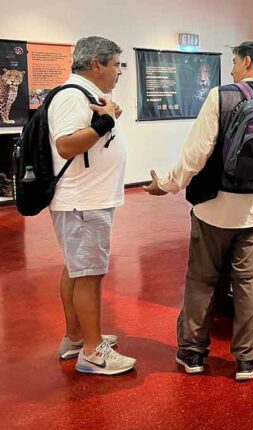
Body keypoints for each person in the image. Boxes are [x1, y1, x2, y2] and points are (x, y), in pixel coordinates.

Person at [143, 41, 253, 381]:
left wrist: (165, 184)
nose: (233, 68)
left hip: (213, 207)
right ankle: (248, 360)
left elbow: (195, 156)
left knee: (202, 280)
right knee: (248, 282)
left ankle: (192, 353)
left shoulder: (221, 96)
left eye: (235, 61)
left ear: (248, 61)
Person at [49, 36, 134, 375]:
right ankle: (92, 352)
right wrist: (106, 121)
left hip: (86, 199)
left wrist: (107, 116)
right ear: (96, 64)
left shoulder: (84, 94)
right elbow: (66, 146)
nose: (118, 73)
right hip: (83, 201)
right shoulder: (72, 96)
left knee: (76, 269)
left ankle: (75, 338)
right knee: (89, 275)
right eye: (115, 65)